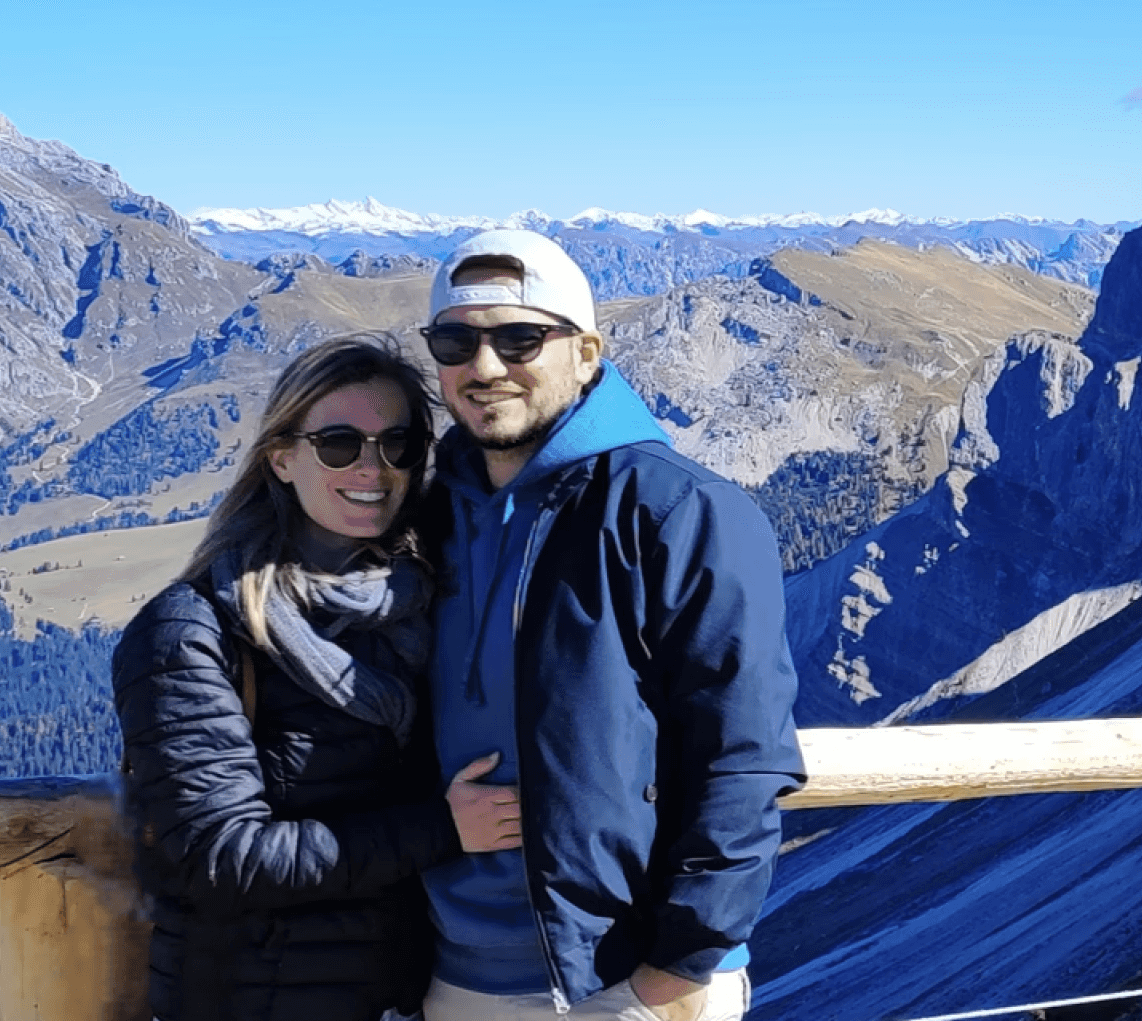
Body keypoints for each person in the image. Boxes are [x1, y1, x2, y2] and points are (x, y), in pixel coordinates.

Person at [415, 229, 802, 1021]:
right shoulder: (430, 513)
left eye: (520, 339)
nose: (484, 367)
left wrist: (674, 972)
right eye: (455, 343)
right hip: (453, 975)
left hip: (621, 980)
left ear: (587, 353)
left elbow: (745, 755)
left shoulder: (680, 509)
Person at [114, 336, 522, 1021]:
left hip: (401, 993)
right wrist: (443, 829)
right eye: (339, 444)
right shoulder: (194, 630)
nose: (373, 468)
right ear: (281, 459)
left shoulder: (423, 605)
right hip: (252, 1000)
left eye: (398, 445)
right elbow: (220, 856)